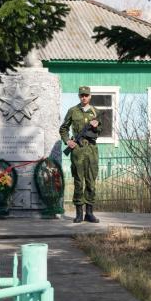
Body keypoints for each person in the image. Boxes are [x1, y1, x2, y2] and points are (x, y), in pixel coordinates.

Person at [59, 86, 102, 223]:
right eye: (82, 95)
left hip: (91, 150)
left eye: (86, 95)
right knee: (78, 181)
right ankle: (78, 213)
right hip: (77, 150)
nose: (84, 97)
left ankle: (89, 213)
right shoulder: (73, 111)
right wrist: (68, 141)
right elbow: (63, 129)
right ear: (79, 96)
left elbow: (100, 130)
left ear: (90, 96)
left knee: (91, 181)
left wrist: (96, 126)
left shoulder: (96, 112)